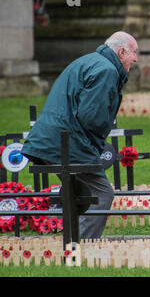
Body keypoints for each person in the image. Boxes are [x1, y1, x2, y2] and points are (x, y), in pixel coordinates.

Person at [21, 31, 138, 239]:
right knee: (102, 193)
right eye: (134, 53)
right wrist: (95, 148)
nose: (136, 59)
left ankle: (72, 242)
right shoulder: (107, 70)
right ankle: (80, 247)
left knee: (80, 194)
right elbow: (92, 117)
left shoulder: (91, 61)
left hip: (52, 139)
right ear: (121, 52)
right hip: (67, 142)